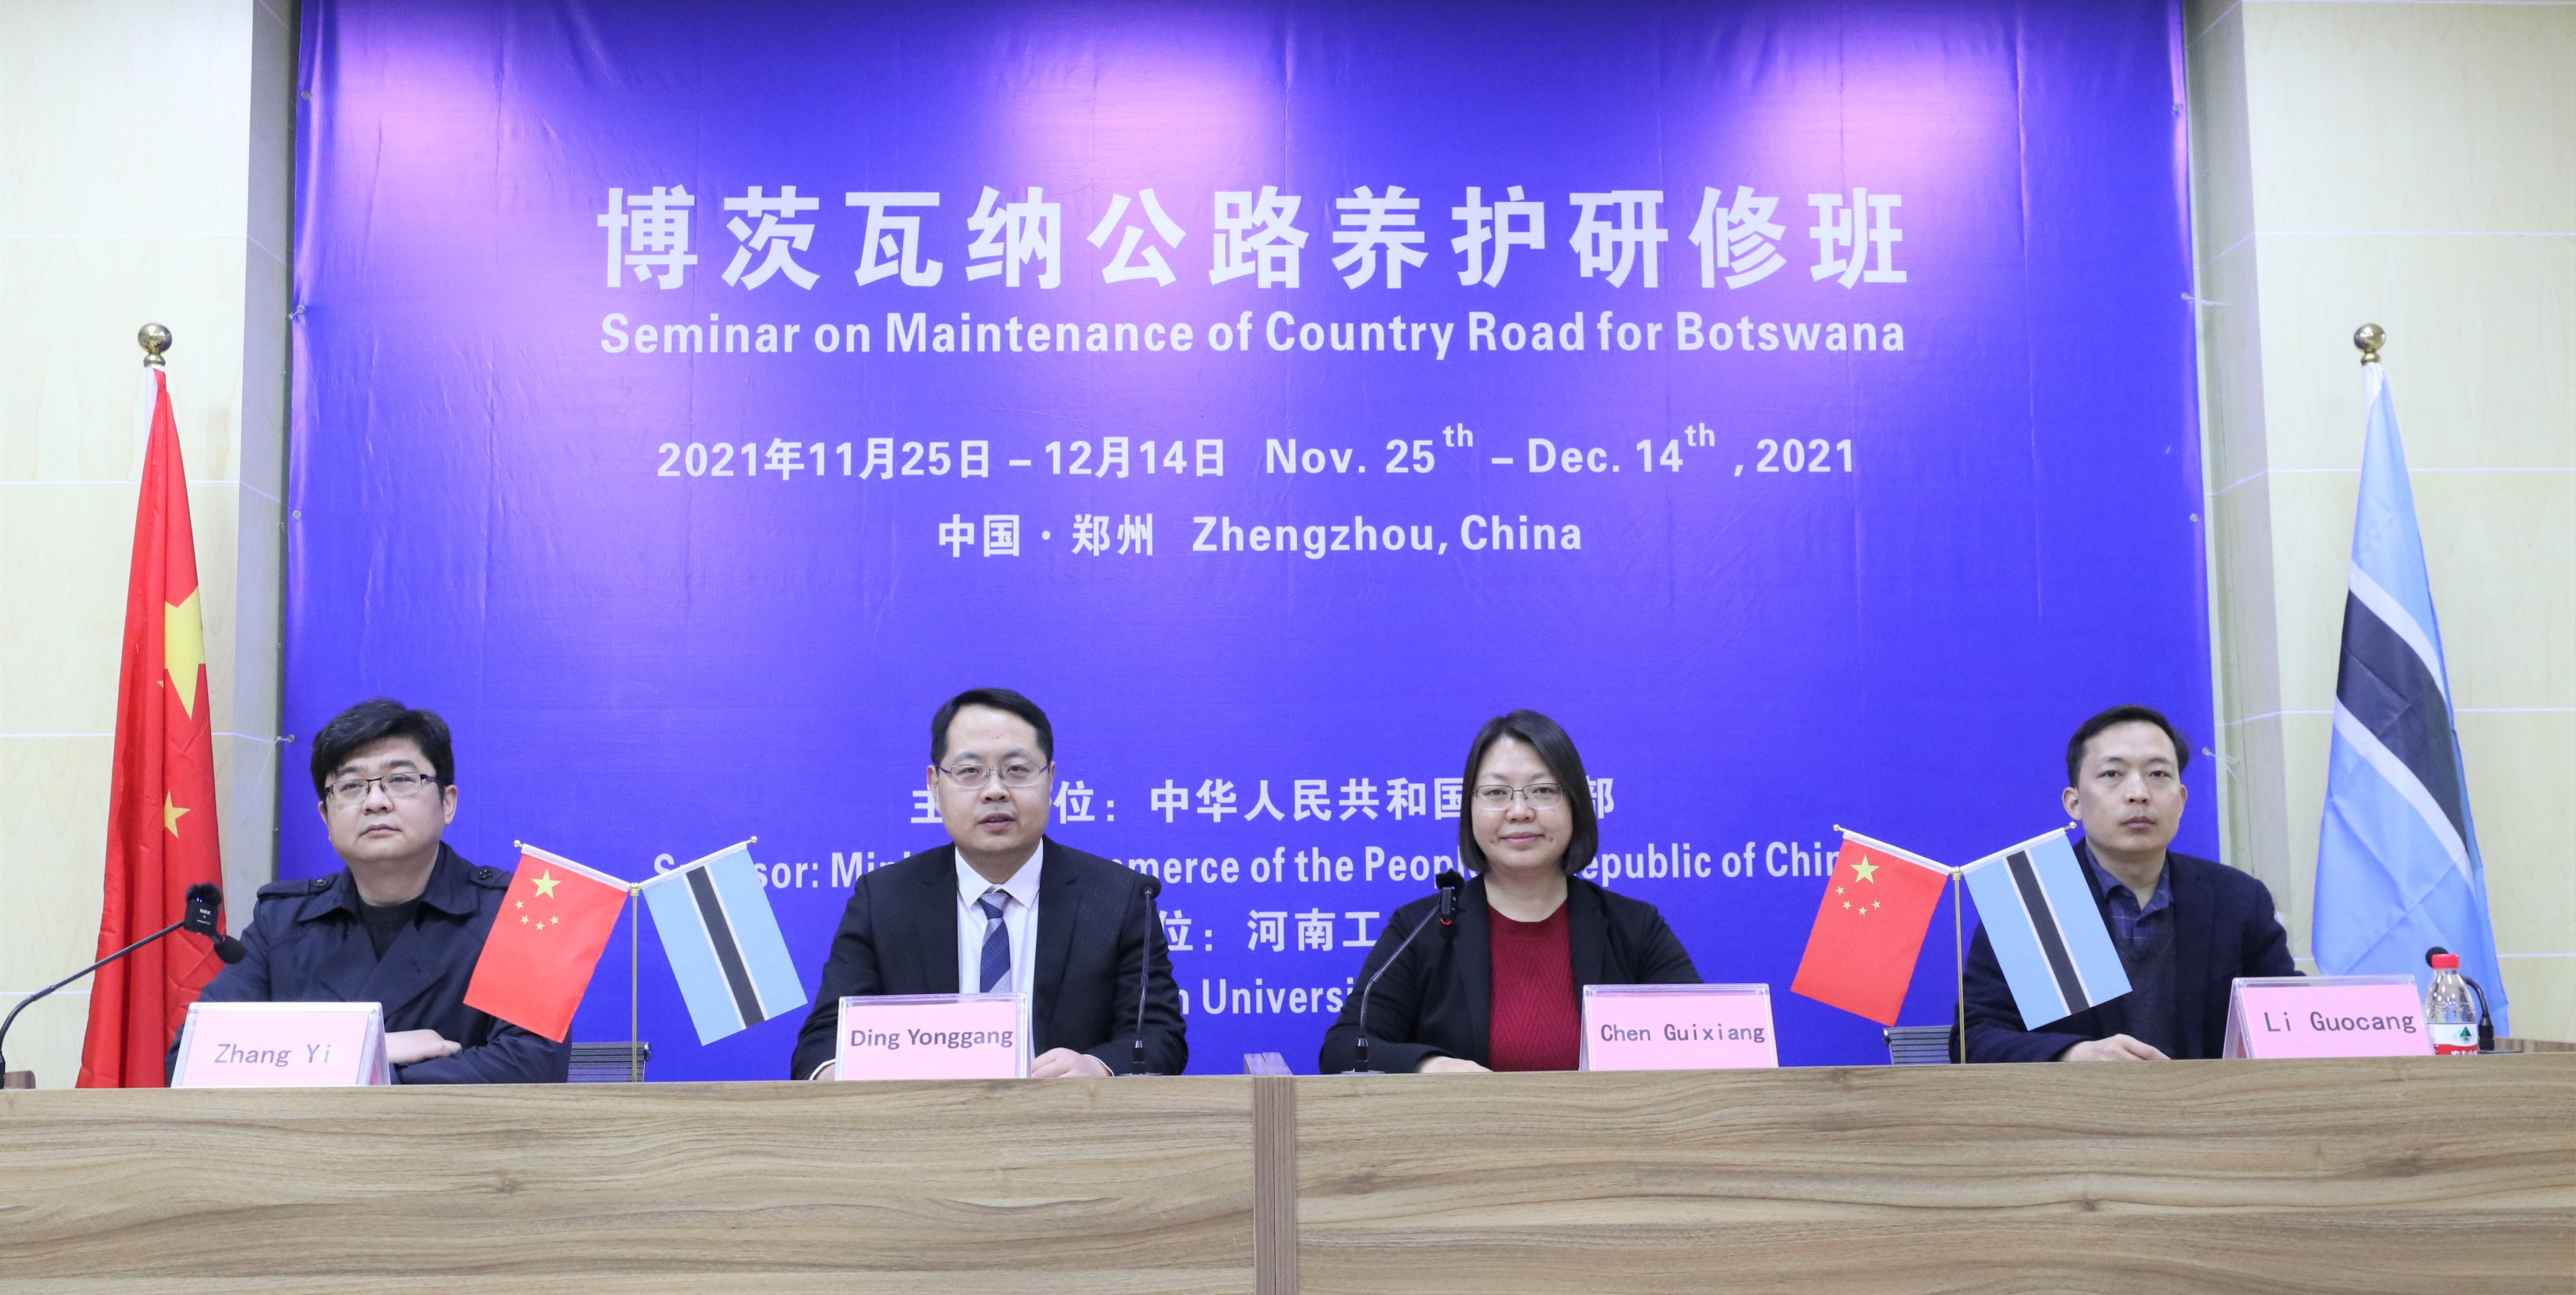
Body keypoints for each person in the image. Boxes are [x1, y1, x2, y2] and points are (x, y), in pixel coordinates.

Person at [791, 688, 1184, 1079]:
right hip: (926, 1117)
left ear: (1051, 781)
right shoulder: (883, 901)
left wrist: (1098, 1070)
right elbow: (823, 1043)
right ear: (935, 786)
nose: (995, 791)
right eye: (970, 772)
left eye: (1017, 770)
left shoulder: (1119, 899)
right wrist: (842, 1077)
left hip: (1067, 1116)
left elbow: (1158, 1035)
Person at [177, 699, 569, 1083]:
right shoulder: (281, 923)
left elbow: (533, 1065)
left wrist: (340, 1070)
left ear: (447, 803)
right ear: (326, 817)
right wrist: (369, 1049)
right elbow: (192, 1058)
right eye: (351, 786)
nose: (376, 802)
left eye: (400, 780)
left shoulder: (515, 914)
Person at [1318, 709, 1698, 1074]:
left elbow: (1702, 1036)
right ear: (1470, 810)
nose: (1519, 811)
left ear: (1576, 805)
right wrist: (1431, 1066)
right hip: (1467, 1123)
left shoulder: (1635, 929)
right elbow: (1344, 1048)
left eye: (1543, 790)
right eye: (1497, 793)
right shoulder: (1422, 929)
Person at [1961, 704, 2296, 1062]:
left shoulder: (2237, 899)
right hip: (2078, 1098)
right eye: (2112, 774)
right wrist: (2072, 1056)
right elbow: (1975, 1038)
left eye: (2158, 774)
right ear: (2075, 803)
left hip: (2207, 1099)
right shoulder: (2035, 900)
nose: (2138, 793)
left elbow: (2289, 1019)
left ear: (2182, 801)